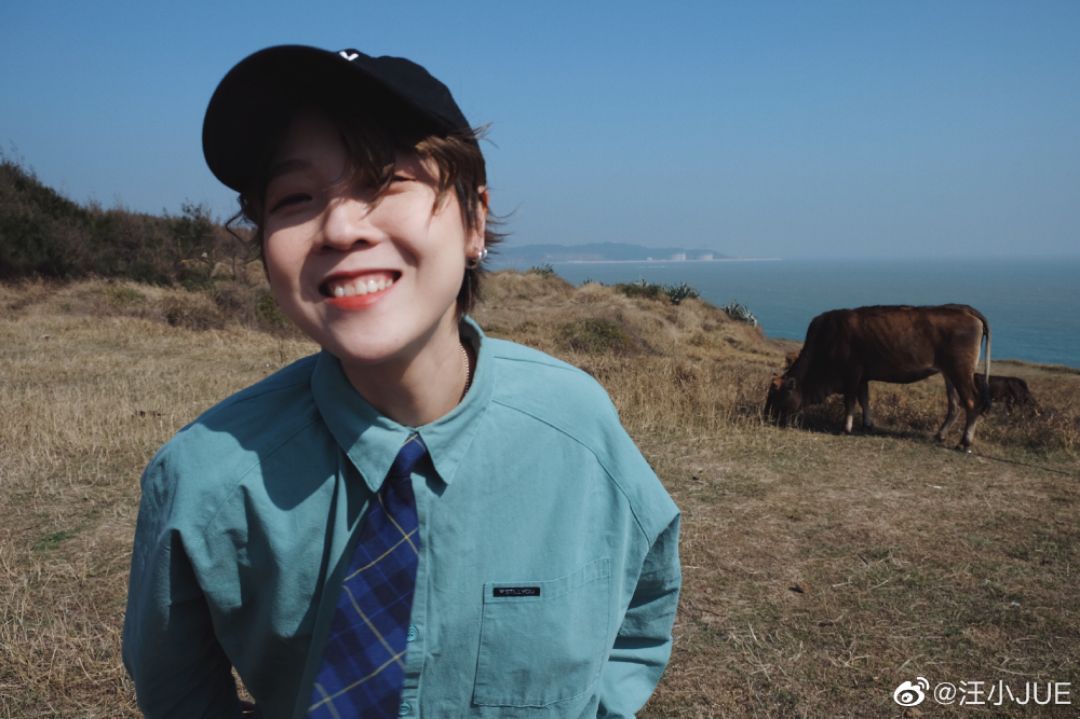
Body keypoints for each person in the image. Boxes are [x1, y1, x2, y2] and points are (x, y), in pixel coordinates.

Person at [122, 45, 681, 719]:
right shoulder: (204, 481)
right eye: (295, 198)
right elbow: (178, 690)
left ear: (475, 220)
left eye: (383, 181)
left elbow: (643, 604)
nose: (340, 226)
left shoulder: (576, 431)